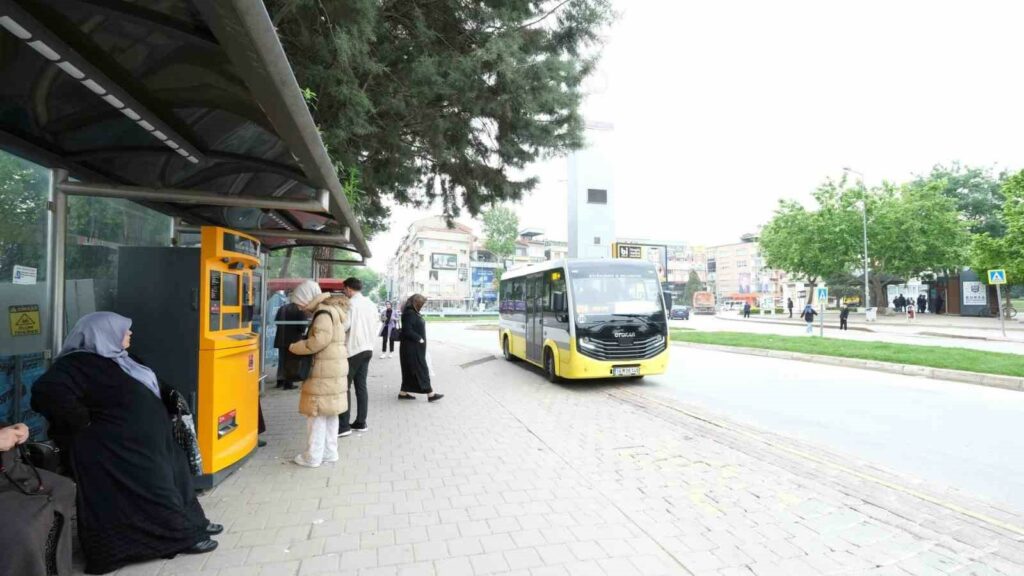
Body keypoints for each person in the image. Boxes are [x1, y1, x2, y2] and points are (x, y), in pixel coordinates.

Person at [31, 312, 220, 575]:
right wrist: (83, 421)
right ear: (102, 333)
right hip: (114, 449)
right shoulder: (77, 363)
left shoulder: (119, 357)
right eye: (124, 330)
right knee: (152, 490)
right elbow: (46, 393)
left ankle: (193, 524)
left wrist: (169, 396)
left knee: (175, 478)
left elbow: (148, 382)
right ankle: (178, 538)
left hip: (149, 441)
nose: (130, 334)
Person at [0, 422, 76, 576]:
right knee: (24, 523)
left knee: (62, 488)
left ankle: (56, 569)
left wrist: (14, 430)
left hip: (8, 468)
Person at [288, 281, 350, 468]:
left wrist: (295, 346)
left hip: (324, 370)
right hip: (334, 368)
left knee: (316, 413)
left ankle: (313, 456)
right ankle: (330, 453)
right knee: (330, 413)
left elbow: (319, 341)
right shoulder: (332, 310)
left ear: (307, 298)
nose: (298, 306)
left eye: (299, 302)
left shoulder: (322, 313)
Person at [338, 277, 379, 437]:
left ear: (348, 289)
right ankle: (361, 422)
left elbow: (345, 326)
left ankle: (343, 426)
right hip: (368, 348)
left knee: (344, 386)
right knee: (361, 386)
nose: (344, 292)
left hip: (353, 349)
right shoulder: (371, 304)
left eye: (344, 289)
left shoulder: (351, 305)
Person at [398, 294, 444, 402]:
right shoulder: (409, 313)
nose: (422, 306)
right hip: (412, 348)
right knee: (421, 369)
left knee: (410, 370)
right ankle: (430, 394)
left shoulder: (412, 312)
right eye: (421, 304)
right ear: (416, 303)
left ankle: (403, 392)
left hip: (414, 348)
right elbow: (407, 330)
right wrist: (419, 338)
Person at [274, 287, 312, 390]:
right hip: (293, 340)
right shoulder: (300, 311)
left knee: (282, 360)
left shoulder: (283, 308)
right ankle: (288, 383)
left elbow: (276, 321)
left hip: (281, 339)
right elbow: (302, 327)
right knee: (291, 362)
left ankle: (280, 381)